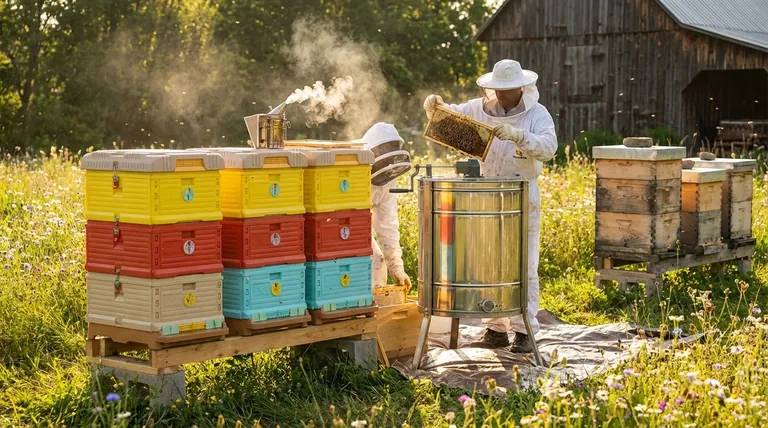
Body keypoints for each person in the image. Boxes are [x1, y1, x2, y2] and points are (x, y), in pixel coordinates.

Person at [422, 59, 557, 353]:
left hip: (522, 196)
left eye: (506, 89)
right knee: (489, 263)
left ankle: (524, 332)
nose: (500, 94)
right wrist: (435, 107)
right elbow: (451, 116)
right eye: (497, 89)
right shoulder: (480, 107)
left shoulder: (537, 114)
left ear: (521, 88)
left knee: (523, 266)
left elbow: (549, 147)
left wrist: (520, 136)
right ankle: (495, 330)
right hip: (486, 194)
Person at [360, 123, 413, 289]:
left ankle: (374, 304)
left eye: (390, 160)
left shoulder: (387, 178)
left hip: (358, 227)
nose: (387, 165)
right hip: (334, 226)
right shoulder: (351, 166)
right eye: (384, 160)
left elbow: (387, 223)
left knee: (377, 261)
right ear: (375, 150)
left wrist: (396, 267)